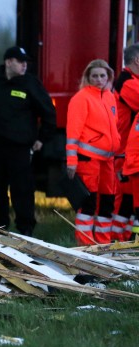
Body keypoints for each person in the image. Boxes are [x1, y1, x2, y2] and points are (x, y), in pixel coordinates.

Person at [0, 46, 56, 236]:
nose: (25, 65)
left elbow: (48, 112)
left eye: (26, 62)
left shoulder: (30, 84)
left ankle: (25, 229)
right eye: (21, 61)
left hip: (19, 149)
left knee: (22, 190)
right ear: (9, 62)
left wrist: (42, 138)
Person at [65, 59, 120, 245]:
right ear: (88, 77)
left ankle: (103, 244)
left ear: (108, 77)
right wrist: (71, 161)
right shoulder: (81, 98)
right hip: (88, 159)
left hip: (107, 160)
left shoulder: (110, 97)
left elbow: (114, 128)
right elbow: (73, 133)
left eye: (102, 75)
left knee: (107, 204)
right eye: (94, 76)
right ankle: (86, 246)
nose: (99, 79)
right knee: (88, 203)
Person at [112, 44, 139, 241]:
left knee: (129, 204)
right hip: (124, 154)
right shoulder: (128, 83)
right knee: (124, 204)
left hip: (128, 153)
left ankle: (124, 241)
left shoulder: (132, 81)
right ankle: (115, 242)